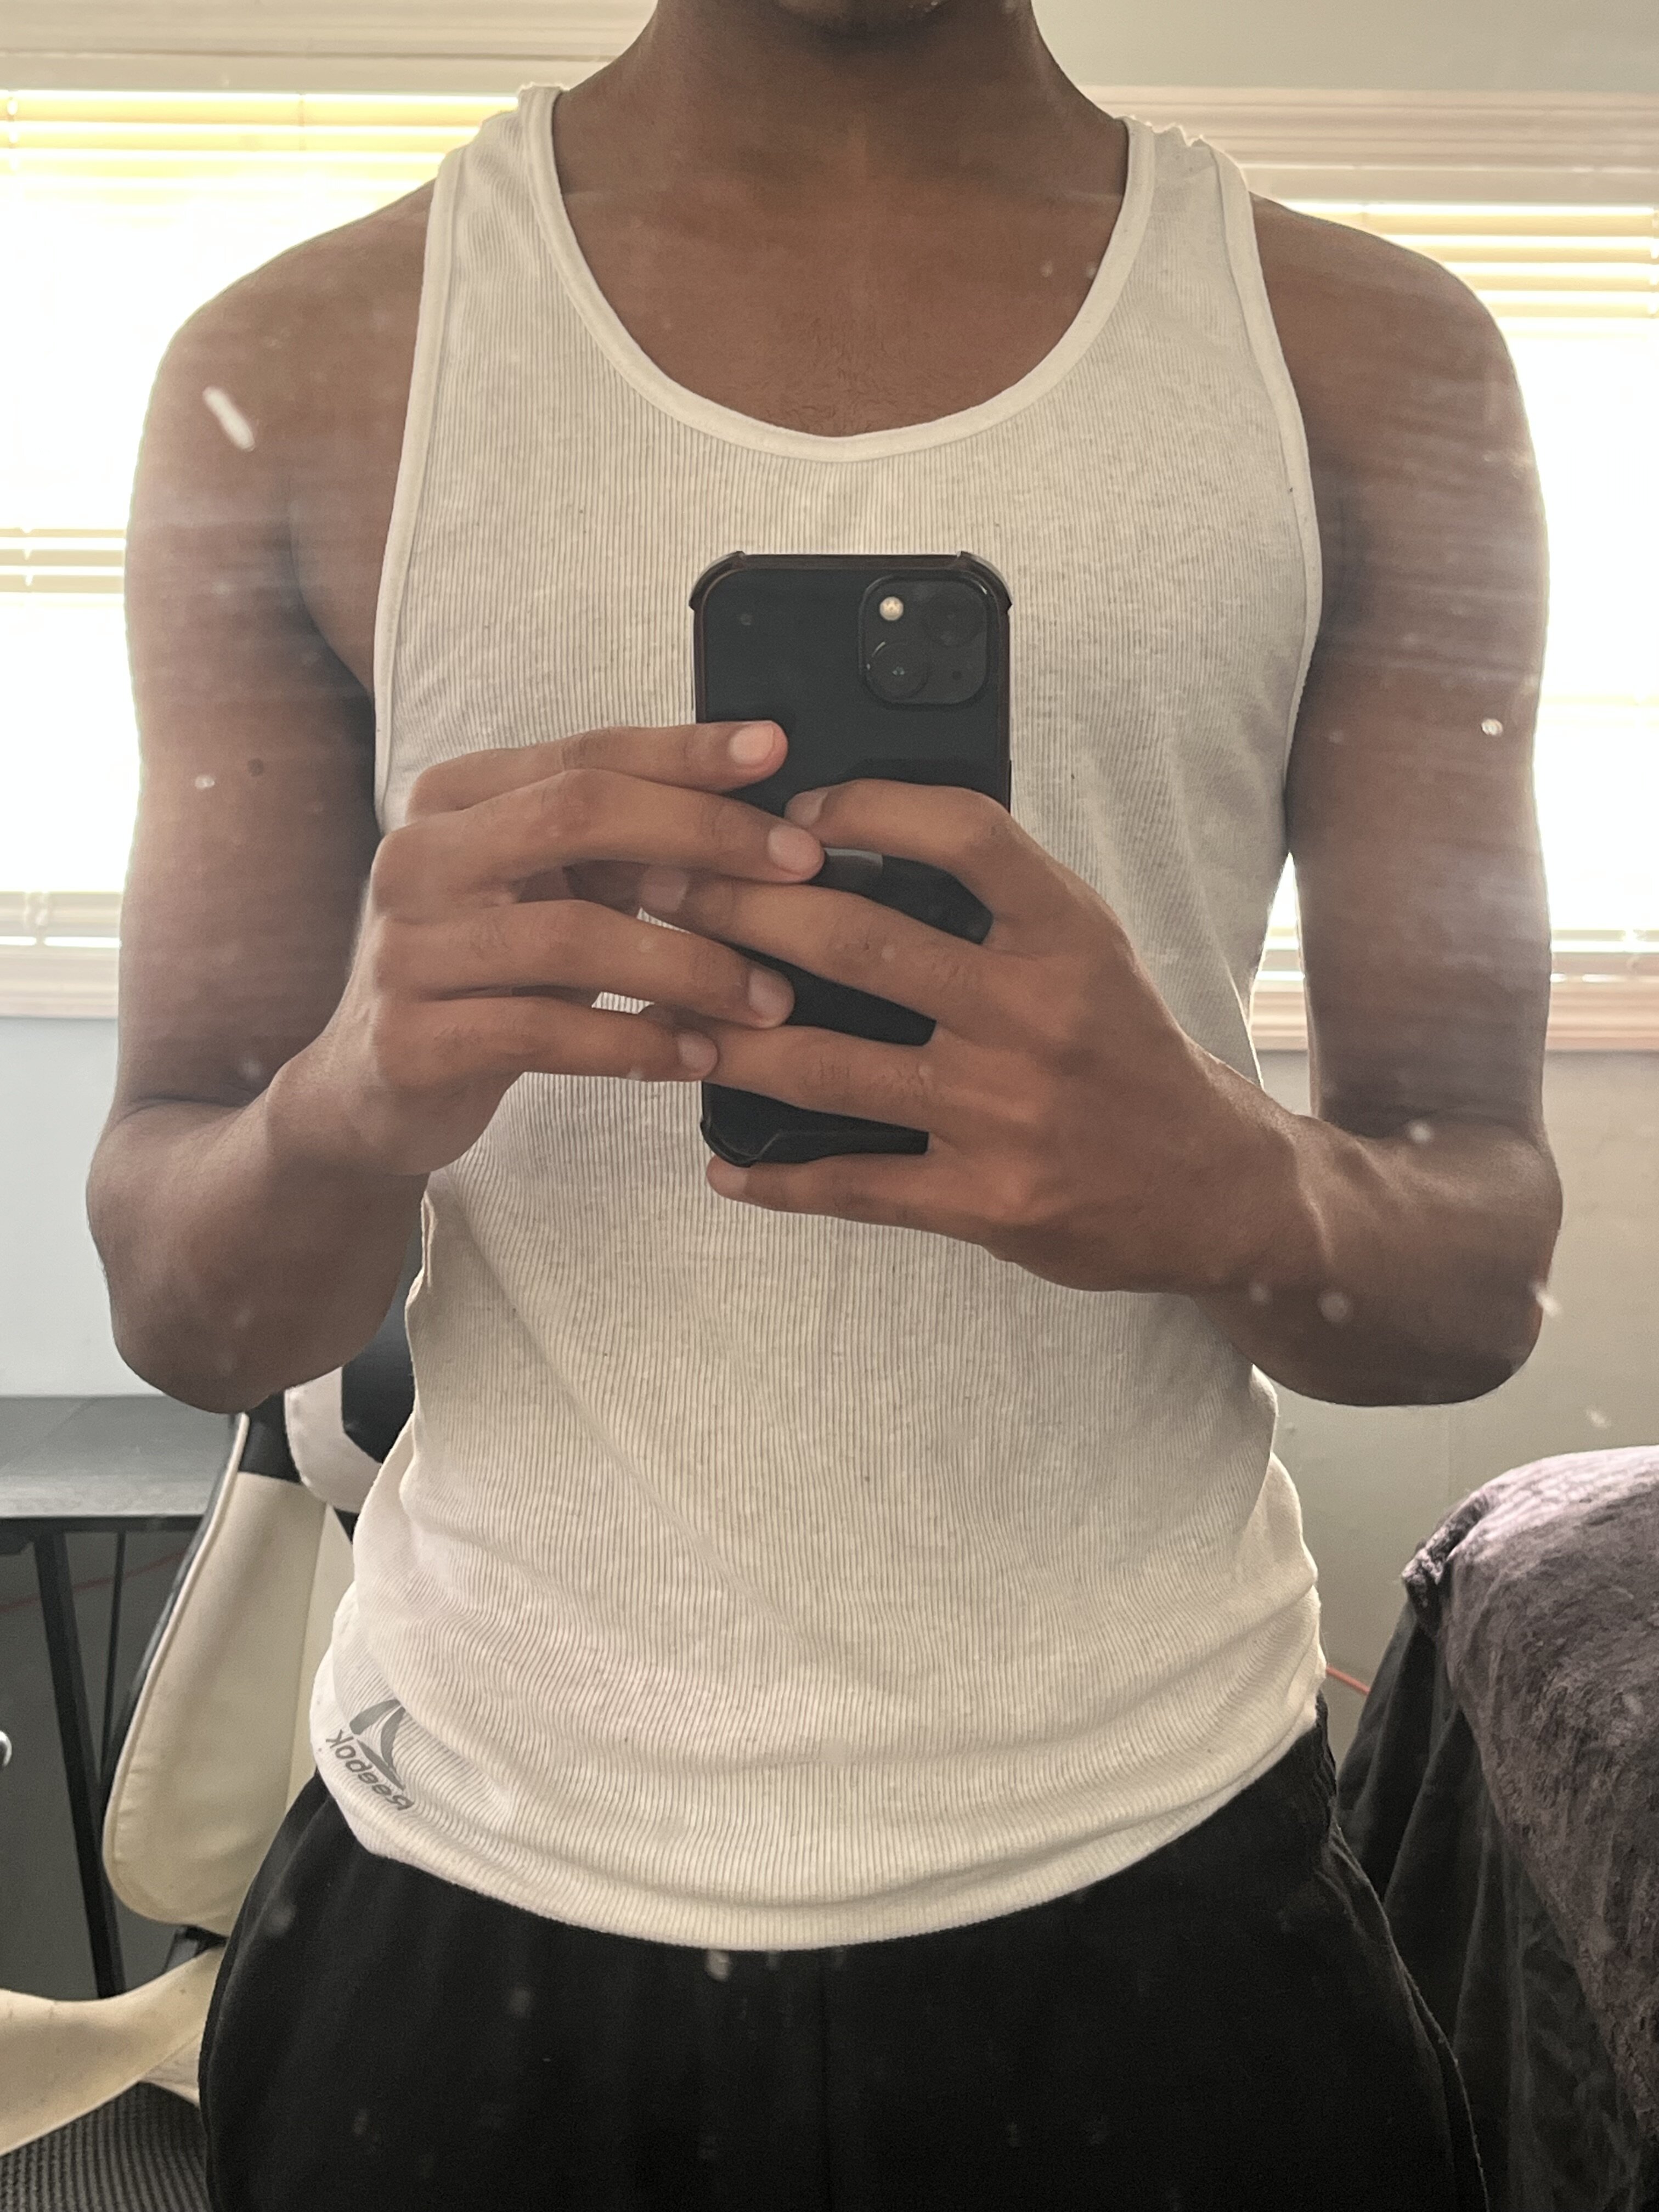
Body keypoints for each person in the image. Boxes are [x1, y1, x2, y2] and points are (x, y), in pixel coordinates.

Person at [88, 0, 1559, 2204]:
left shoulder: (1376, 371)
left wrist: (1222, 1183)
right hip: (471, 1891)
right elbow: (186, 1308)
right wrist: (345, 1107)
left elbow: (1473, 1278)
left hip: (1164, 1892)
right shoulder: (296, 377)